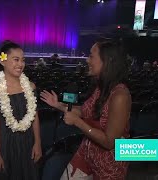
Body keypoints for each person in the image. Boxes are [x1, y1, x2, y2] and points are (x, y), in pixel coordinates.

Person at [40, 40, 131, 179]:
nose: (87, 60)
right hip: (87, 152)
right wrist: (58, 105)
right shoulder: (100, 87)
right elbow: (84, 111)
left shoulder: (120, 95)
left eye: (91, 56)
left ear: (107, 61)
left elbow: (109, 142)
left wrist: (77, 122)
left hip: (110, 163)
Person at [0, 41, 42, 180]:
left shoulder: (31, 87)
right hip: (6, 144)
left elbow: (35, 117)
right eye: (16, 59)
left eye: (23, 60)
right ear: (3, 61)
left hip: (28, 141)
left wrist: (38, 143)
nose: (20, 64)